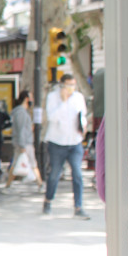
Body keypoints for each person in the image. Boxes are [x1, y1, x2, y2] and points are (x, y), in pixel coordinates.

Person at [42, 73, 89, 218]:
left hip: (74, 141)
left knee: (77, 174)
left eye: (73, 85)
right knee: (55, 174)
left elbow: (82, 116)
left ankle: (78, 206)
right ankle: (48, 201)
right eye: (68, 85)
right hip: (57, 142)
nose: (70, 88)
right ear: (61, 85)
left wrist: (84, 127)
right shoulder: (53, 97)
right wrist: (63, 101)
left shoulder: (79, 98)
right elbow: (52, 117)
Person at [4, 90, 43, 189]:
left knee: (18, 163)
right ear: (26, 99)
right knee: (31, 164)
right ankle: (40, 184)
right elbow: (21, 129)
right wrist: (22, 145)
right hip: (24, 143)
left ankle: (9, 185)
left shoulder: (22, 112)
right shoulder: (21, 112)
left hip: (24, 142)